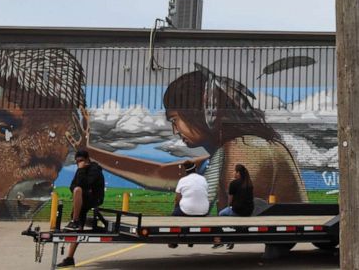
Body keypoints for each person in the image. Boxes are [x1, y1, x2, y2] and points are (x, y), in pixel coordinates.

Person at [85, 65, 307, 210]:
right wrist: (89, 152)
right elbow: (160, 174)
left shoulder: (246, 148)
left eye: (175, 120)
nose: (175, 130)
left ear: (198, 114)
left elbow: (239, 212)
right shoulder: (230, 149)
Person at [59, 149, 105, 267]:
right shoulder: (80, 170)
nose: (79, 163)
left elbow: (86, 184)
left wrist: (81, 169)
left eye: (81, 161)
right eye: (77, 161)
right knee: (78, 228)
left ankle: (74, 221)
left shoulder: (95, 170)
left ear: (87, 160)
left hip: (94, 198)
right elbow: (72, 185)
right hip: (84, 198)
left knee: (78, 190)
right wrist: (80, 171)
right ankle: (70, 258)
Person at [213, 164, 254, 250]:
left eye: (234, 171)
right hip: (249, 211)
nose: (233, 172)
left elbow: (230, 200)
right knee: (237, 221)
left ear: (238, 173)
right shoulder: (249, 183)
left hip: (237, 210)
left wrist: (229, 206)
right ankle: (236, 230)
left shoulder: (233, 183)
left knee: (220, 214)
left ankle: (221, 239)